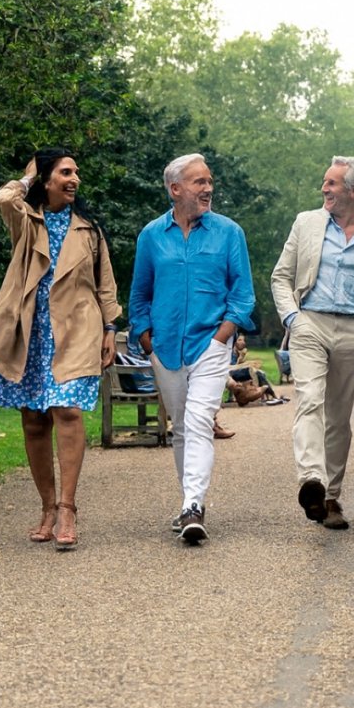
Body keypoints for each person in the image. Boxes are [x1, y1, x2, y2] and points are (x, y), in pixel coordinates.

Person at [0, 149, 120, 551]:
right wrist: (28, 177)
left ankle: (68, 508)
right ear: (46, 179)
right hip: (30, 331)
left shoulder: (89, 229)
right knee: (34, 420)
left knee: (68, 411)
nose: (75, 179)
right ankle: (46, 508)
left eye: (77, 172)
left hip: (77, 330)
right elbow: (5, 198)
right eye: (65, 172)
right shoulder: (26, 220)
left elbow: (105, 284)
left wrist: (111, 329)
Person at [271, 156, 354, 529]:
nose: (324, 189)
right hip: (309, 324)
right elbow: (281, 277)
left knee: (339, 418)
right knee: (309, 400)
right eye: (325, 182)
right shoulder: (306, 222)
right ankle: (312, 481)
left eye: (332, 183)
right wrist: (293, 319)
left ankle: (330, 498)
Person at [130, 153, 256, 545]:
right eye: (199, 182)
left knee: (200, 419)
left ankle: (193, 507)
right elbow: (139, 295)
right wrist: (146, 338)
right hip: (165, 346)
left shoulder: (229, 233)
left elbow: (243, 294)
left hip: (210, 344)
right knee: (183, 426)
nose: (208, 188)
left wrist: (223, 336)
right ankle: (189, 500)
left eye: (209, 181)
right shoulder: (151, 235)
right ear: (175, 189)